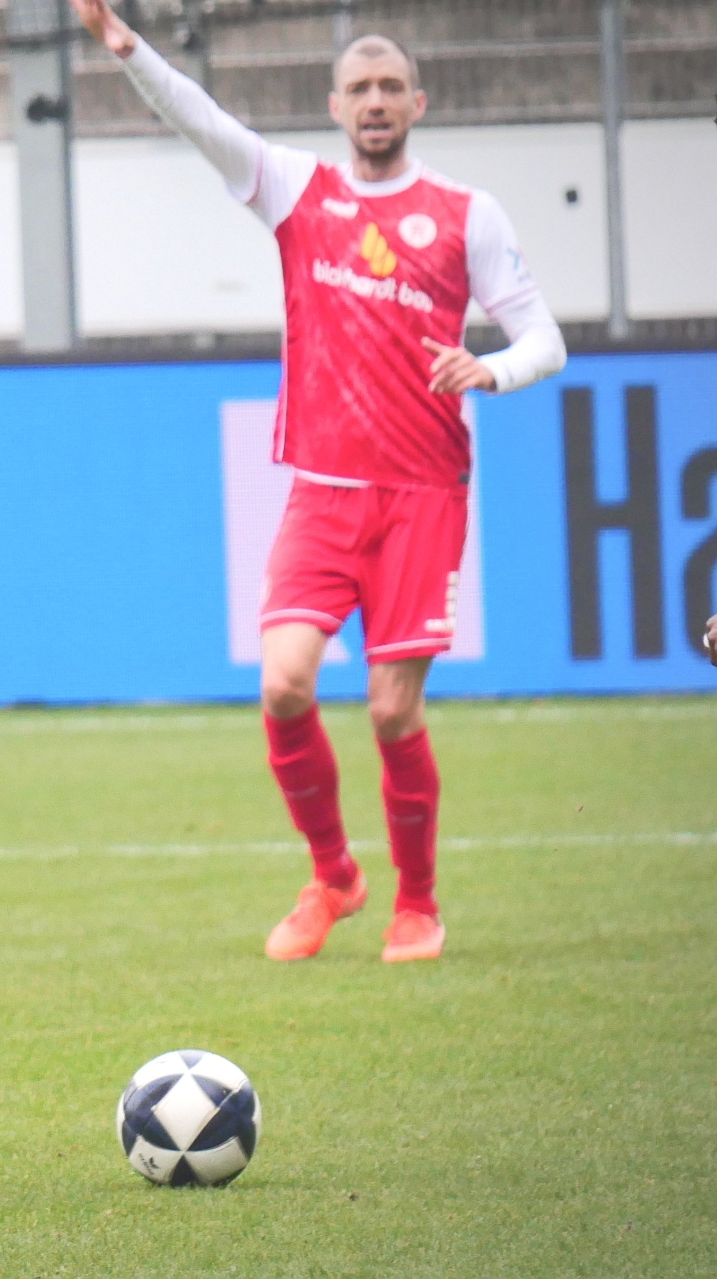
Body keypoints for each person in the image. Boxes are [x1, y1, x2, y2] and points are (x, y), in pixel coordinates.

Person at [67, 0, 567, 962]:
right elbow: (205, 121)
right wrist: (126, 48)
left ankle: (417, 903)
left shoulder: (467, 213)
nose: (375, 101)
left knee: (392, 707)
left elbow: (543, 337)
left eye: (391, 87)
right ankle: (334, 875)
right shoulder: (299, 190)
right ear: (335, 106)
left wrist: (492, 368)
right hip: (322, 490)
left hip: (423, 494)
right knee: (284, 684)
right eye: (360, 88)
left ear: (418, 102)